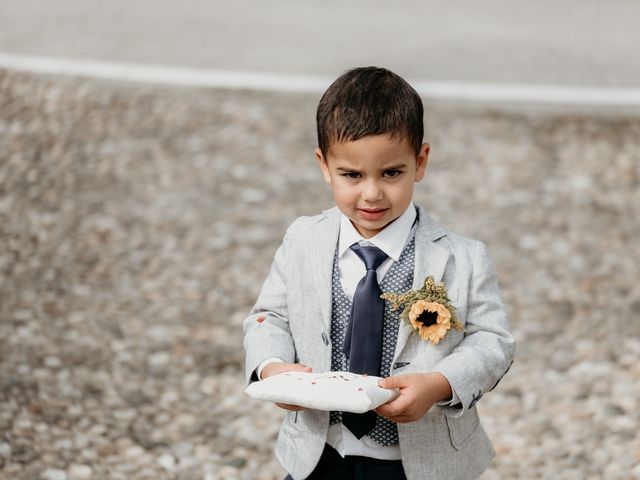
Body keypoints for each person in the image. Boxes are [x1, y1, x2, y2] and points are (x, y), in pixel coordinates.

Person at [243, 66, 515, 480]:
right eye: (352, 175)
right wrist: (273, 368)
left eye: (391, 173)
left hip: (415, 463)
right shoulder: (303, 239)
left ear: (420, 162)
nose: (372, 193)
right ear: (324, 165)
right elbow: (270, 316)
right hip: (320, 451)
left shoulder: (463, 257)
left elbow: (492, 341)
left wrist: (440, 383)